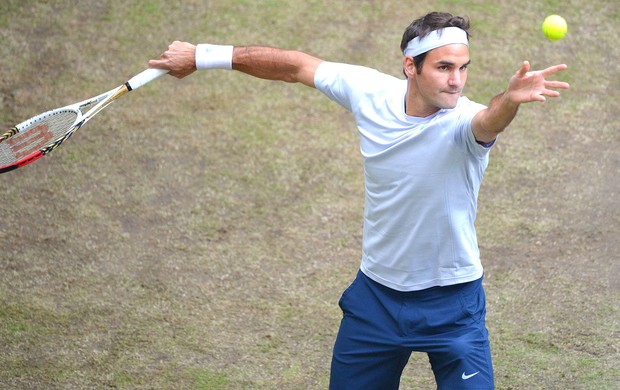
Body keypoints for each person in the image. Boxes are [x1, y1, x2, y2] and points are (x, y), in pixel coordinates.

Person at [149, 11, 569, 390]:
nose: (456, 80)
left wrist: (509, 101)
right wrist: (201, 56)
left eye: (463, 68)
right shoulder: (369, 92)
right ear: (411, 66)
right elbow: (296, 66)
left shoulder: (463, 121)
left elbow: (488, 119)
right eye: (444, 67)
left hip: (453, 304)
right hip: (376, 299)